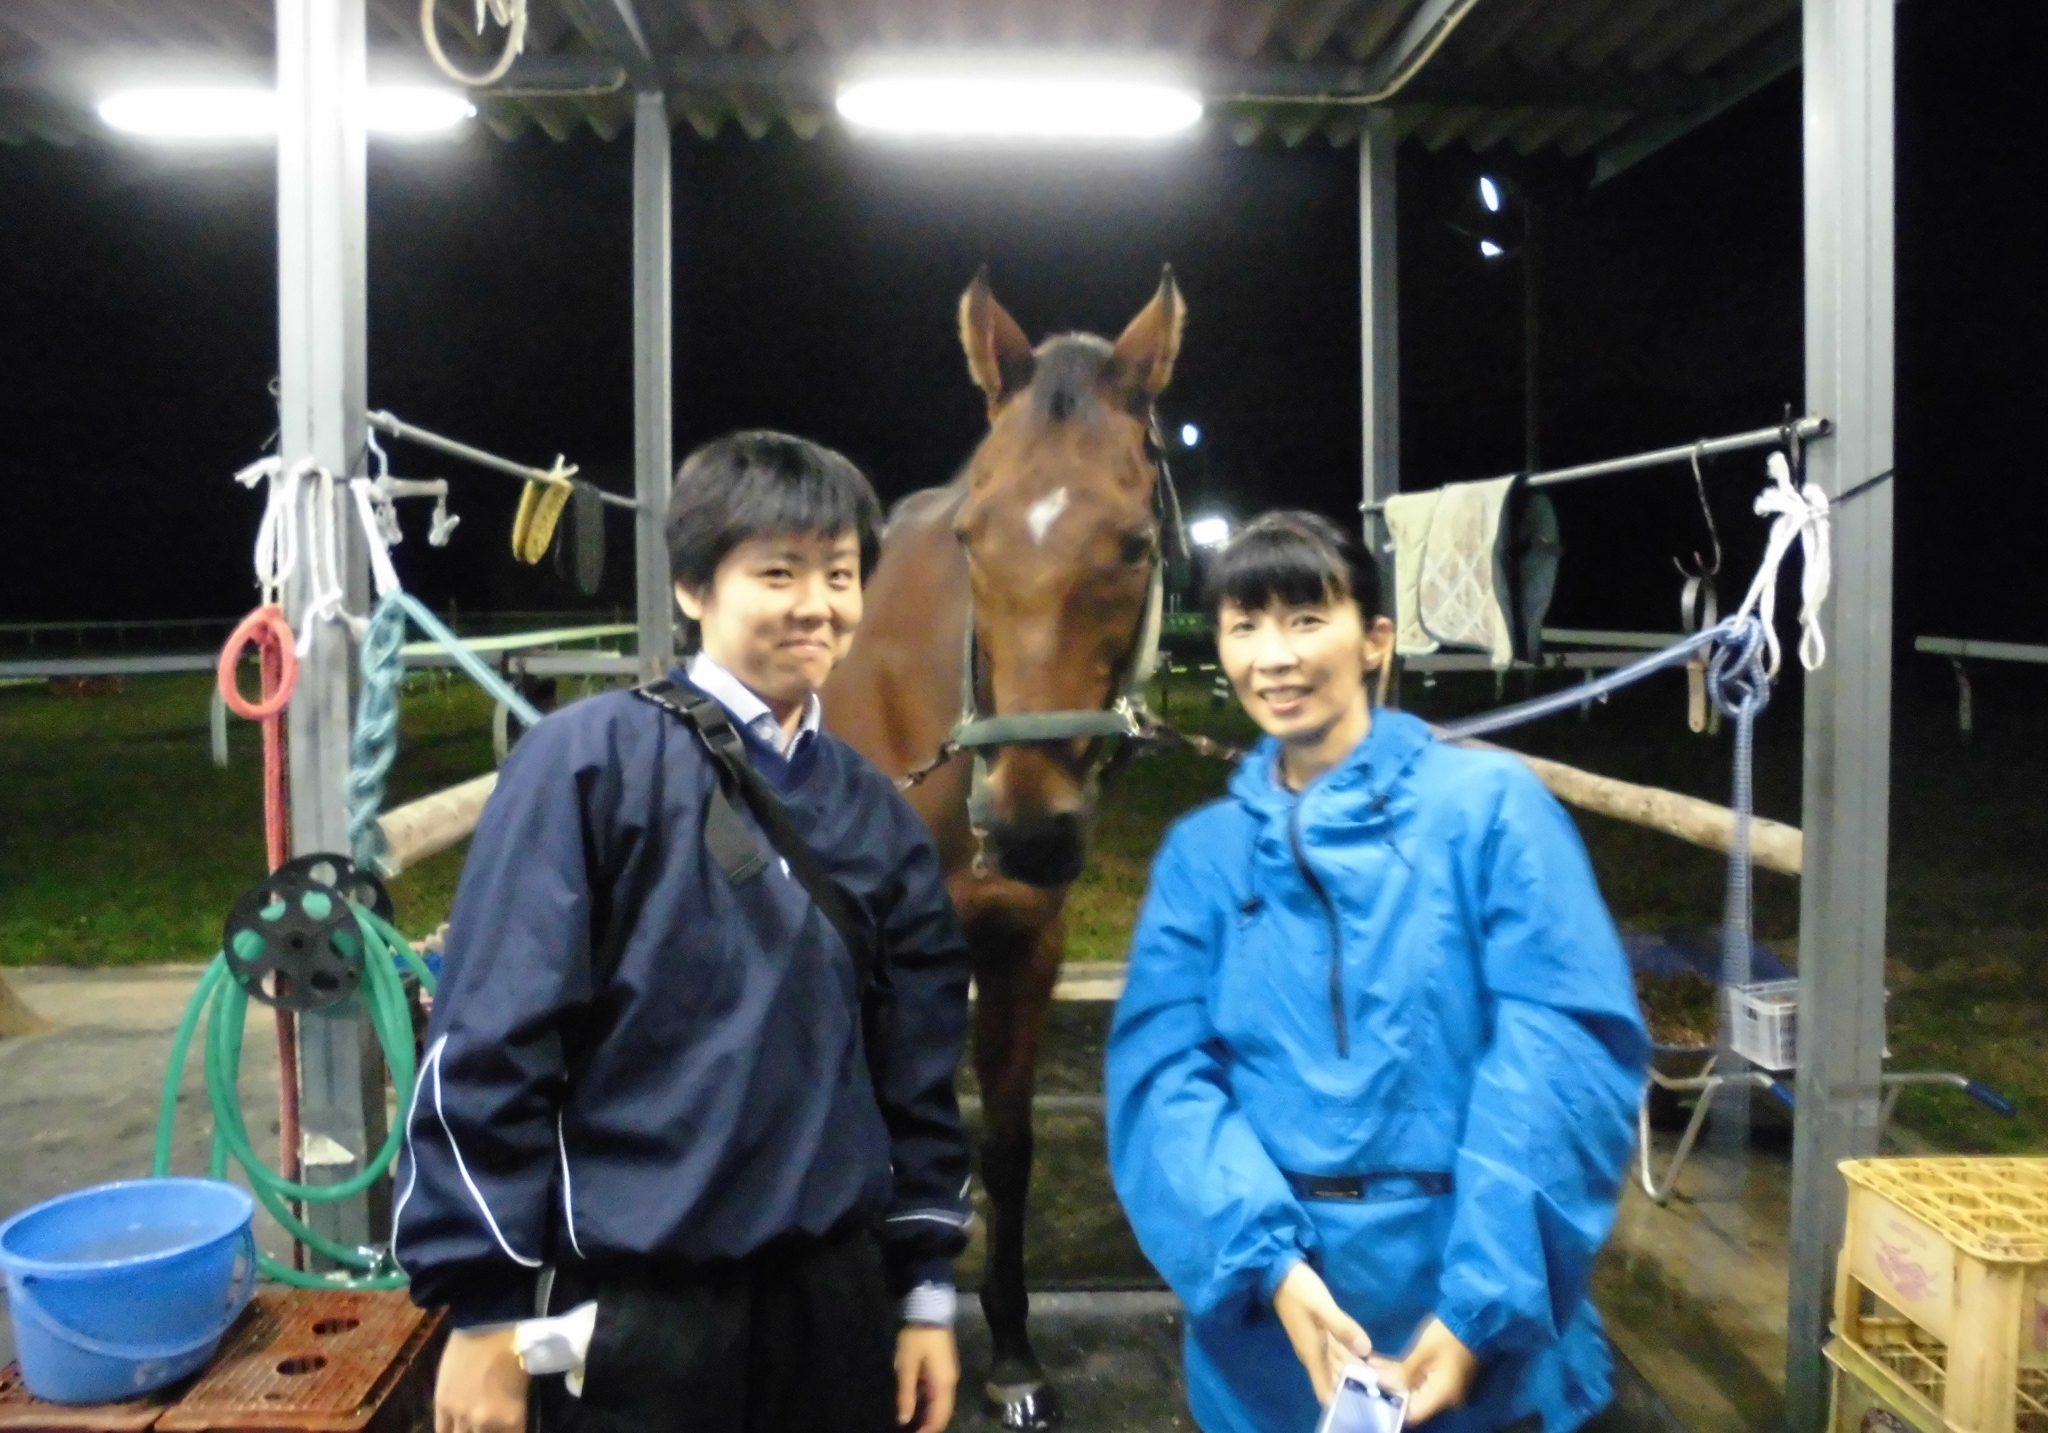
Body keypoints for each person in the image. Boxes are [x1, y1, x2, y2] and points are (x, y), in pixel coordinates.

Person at [395, 430, 973, 1433]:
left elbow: (915, 1065)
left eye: (840, 574)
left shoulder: (875, 814)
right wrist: (486, 1310)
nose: (817, 603)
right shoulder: (589, 762)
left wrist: (924, 1292)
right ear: (694, 588)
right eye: (777, 572)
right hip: (634, 1313)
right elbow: (492, 1036)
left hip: (831, 1305)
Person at [1106, 511, 1649, 1433]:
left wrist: (1480, 1310)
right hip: (1269, 1345)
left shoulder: (1490, 811)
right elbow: (1163, 1080)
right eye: (1245, 626)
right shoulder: (1204, 856)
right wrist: (1270, 1269)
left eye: (1307, 618)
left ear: (1376, 640)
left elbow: (1561, 1054)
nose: (1274, 656)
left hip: (1481, 1321)